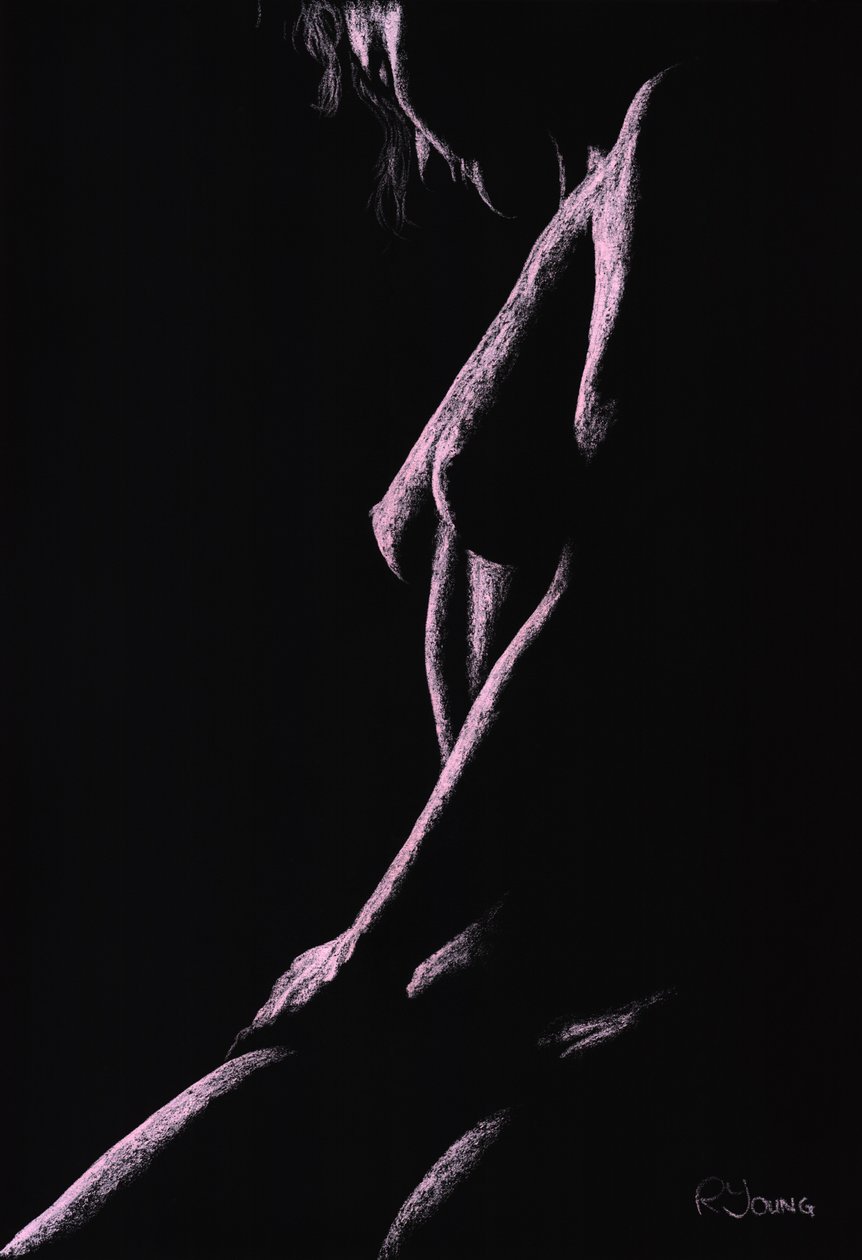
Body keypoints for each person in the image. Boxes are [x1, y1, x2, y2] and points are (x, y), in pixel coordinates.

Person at [4, 3, 832, 1257]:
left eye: (373, 16)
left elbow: (617, 598)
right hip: (482, 964)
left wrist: (371, 944)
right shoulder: (580, 203)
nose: (369, 53)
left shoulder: (686, 120)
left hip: (660, 954)